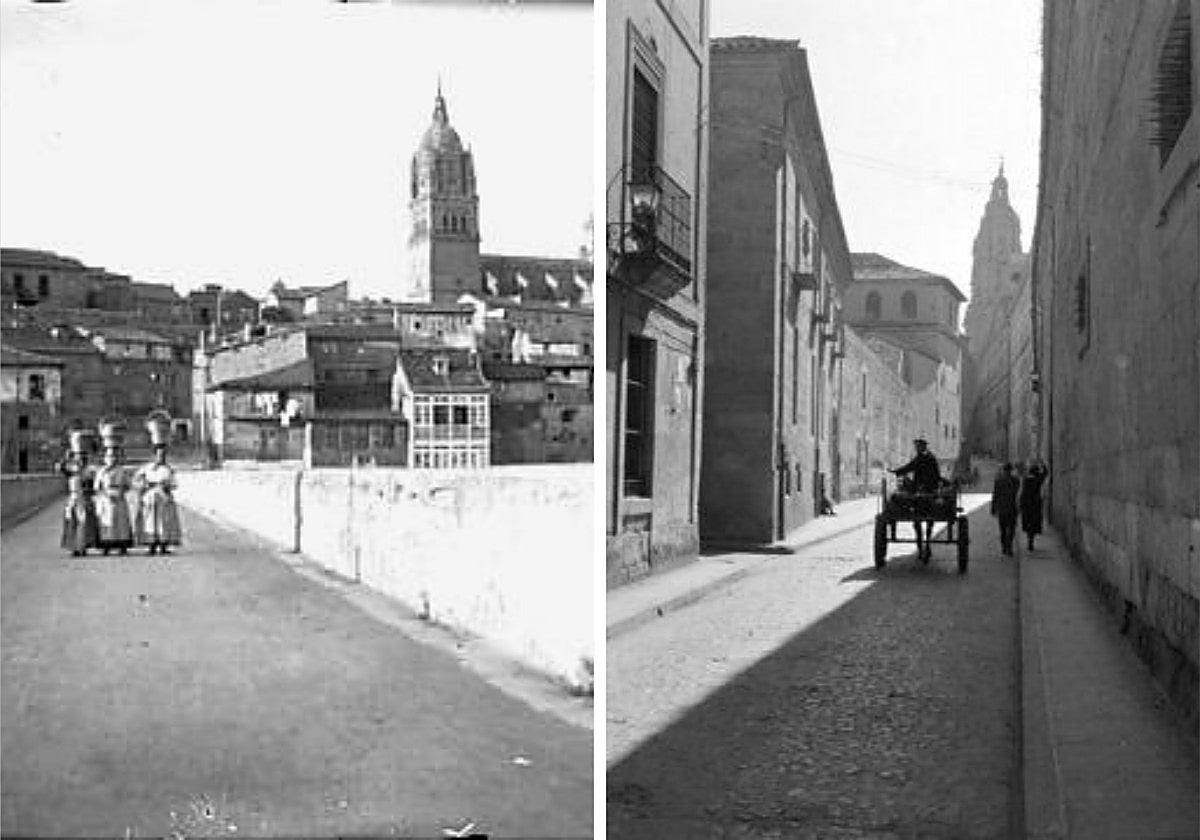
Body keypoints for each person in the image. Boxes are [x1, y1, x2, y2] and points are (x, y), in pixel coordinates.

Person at [891, 438, 942, 559]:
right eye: (916, 447)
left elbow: (910, 467)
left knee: (916, 516)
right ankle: (926, 544)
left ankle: (922, 546)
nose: (917, 449)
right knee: (928, 519)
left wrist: (897, 472)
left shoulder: (922, 457)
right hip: (930, 489)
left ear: (922, 447)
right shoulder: (931, 457)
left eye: (918, 447)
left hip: (922, 489)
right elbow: (937, 475)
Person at [135, 444, 182, 555]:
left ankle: (163, 545)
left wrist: (167, 486)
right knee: (150, 521)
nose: (161, 457)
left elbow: (175, 484)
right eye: (159, 455)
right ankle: (151, 545)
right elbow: (136, 481)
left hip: (163, 497)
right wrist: (144, 485)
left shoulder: (168, 469)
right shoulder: (146, 468)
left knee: (164, 522)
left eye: (163, 455)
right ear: (154, 455)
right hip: (150, 497)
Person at [59, 443, 99, 557]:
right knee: (72, 523)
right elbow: (60, 467)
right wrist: (66, 456)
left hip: (85, 499)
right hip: (73, 499)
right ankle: (74, 548)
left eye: (82, 458)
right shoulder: (71, 470)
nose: (80, 460)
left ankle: (83, 547)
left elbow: (94, 484)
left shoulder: (89, 471)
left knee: (84, 524)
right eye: (78, 458)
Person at [94, 447, 135, 555]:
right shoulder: (101, 471)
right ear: (105, 458)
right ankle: (106, 545)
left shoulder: (121, 470)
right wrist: (105, 495)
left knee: (121, 523)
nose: (112, 459)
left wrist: (121, 491)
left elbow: (128, 485)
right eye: (109, 456)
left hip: (119, 498)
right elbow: (97, 487)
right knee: (107, 522)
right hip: (106, 499)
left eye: (114, 456)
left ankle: (122, 545)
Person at [991, 462, 1020, 556]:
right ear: (1011, 470)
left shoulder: (998, 481)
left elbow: (995, 495)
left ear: (1004, 470)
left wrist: (993, 508)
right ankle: (1009, 546)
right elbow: (1018, 493)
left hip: (1002, 508)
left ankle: (1004, 547)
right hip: (1012, 507)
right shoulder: (1016, 480)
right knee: (1011, 528)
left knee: (1003, 529)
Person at [1020, 460, 1049, 550]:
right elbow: (1045, 473)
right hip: (1035, 503)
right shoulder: (1038, 479)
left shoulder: (1026, 479)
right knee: (1033, 522)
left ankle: (1029, 538)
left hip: (1026, 503)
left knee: (1028, 522)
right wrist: (1043, 465)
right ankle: (1031, 540)